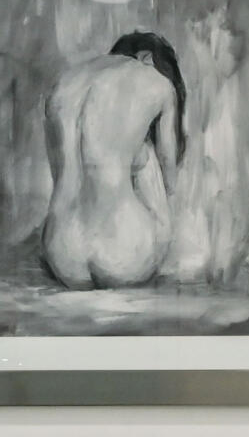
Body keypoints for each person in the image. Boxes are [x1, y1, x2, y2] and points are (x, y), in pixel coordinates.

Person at [42, 29, 186, 290]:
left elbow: (60, 173)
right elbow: (170, 178)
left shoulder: (65, 82)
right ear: (147, 58)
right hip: (127, 255)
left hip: (62, 252)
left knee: (77, 165)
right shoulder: (158, 84)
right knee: (144, 150)